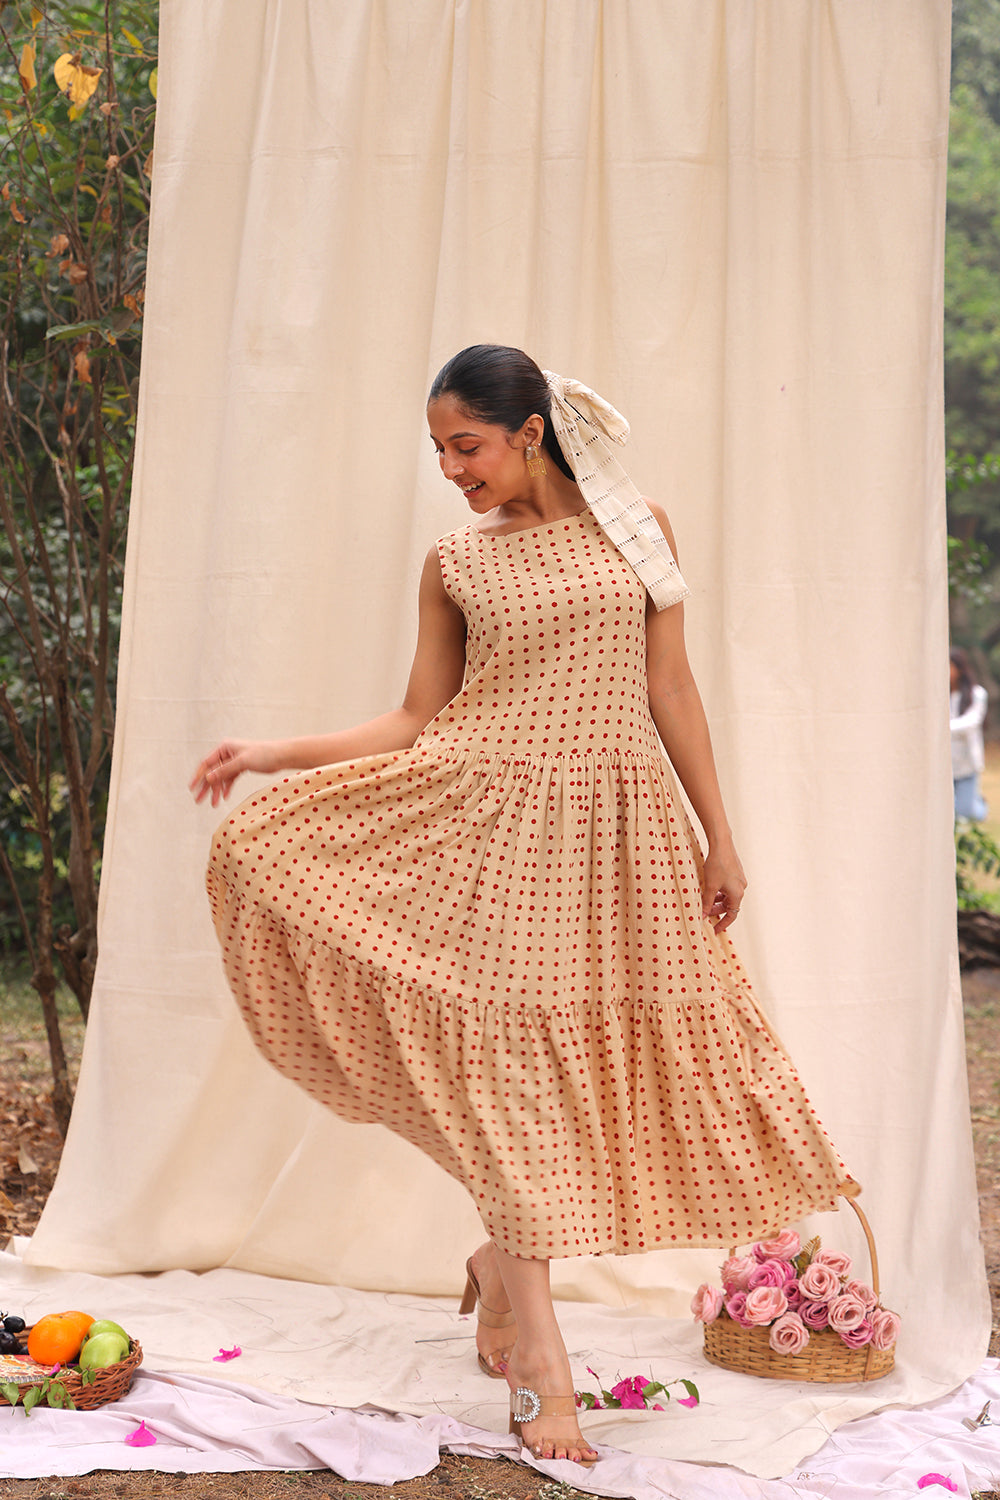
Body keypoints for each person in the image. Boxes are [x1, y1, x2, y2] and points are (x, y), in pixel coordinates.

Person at [191, 345, 856, 1466]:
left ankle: (501, 1267)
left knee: (583, 1078)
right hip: (486, 828)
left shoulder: (637, 527)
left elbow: (669, 685)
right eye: (440, 452)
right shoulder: (456, 560)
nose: (452, 470)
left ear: (531, 432)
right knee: (507, 1075)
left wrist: (718, 835)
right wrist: (272, 754)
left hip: (617, 840)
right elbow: (414, 717)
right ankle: (543, 1370)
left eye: (468, 446)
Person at [950, 647, 989, 822]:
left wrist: (943, 728)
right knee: (950, 811)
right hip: (946, 762)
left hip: (966, 763)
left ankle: (981, 805)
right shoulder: (940, 694)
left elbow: (971, 722)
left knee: (966, 812)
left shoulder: (977, 694)